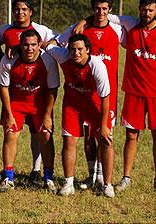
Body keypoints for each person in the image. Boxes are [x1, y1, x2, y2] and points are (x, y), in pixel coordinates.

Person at [107, 0, 156, 193]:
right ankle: (126, 177)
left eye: (150, 10)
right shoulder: (130, 25)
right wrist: (83, 21)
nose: (146, 13)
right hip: (134, 91)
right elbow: (107, 15)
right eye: (143, 9)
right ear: (139, 8)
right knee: (131, 135)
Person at [56, 0, 124, 190]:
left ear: (109, 10)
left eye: (104, 8)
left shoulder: (119, 30)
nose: (100, 12)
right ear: (92, 9)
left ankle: (103, 178)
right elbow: (57, 42)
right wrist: (82, 21)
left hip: (104, 95)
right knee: (86, 138)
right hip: (81, 92)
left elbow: (139, 27)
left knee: (103, 136)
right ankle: (91, 175)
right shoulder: (80, 29)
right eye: (96, 8)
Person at [0, 0, 56, 184]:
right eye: (25, 45)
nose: (29, 49)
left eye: (33, 45)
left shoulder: (47, 59)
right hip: (17, 101)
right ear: (19, 45)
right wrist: (8, 113)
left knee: (45, 133)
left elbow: (53, 89)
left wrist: (47, 114)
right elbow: (4, 88)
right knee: (10, 132)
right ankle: (8, 177)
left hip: (39, 101)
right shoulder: (9, 56)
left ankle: (46, 176)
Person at [45, 34, 114, 197]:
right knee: (69, 141)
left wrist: (104, 126)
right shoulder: (62, 55)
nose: (76, 53)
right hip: (72, 105)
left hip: (95, 104)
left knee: (106, 140)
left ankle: (107, 184)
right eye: (73, 49)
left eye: (80, 49)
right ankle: (69, 183)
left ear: (87, 50)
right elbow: (44, 45)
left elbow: (106, 98)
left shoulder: (97, 65)